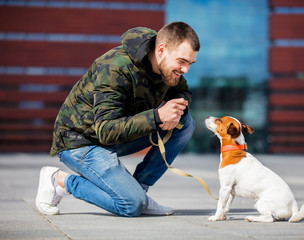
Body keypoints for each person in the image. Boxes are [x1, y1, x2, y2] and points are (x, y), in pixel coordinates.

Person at [35, 21, 200, 217]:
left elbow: (183, 91)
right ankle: (60, 181)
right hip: (81, 142)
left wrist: (176, 108)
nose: (186, 70)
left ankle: (140, 190)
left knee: (185, 122)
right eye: (182, 61)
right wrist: (157, 116)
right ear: (162, 50)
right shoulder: (115, 68)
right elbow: (105, 130)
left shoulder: (168, 69)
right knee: (130, 206)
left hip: (116, 137)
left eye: (190, 63)